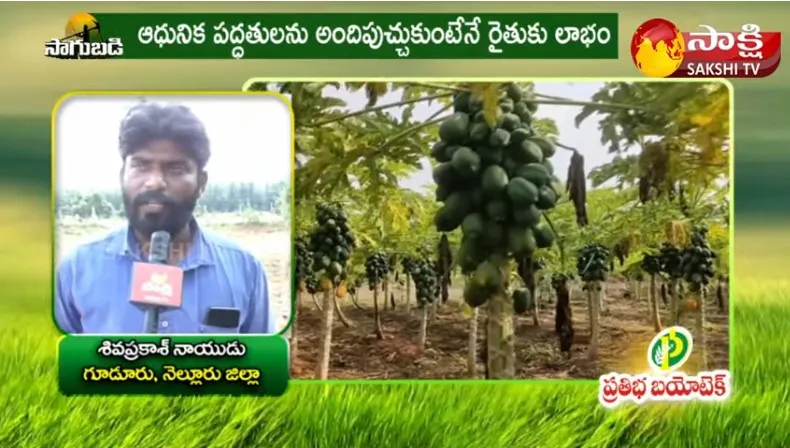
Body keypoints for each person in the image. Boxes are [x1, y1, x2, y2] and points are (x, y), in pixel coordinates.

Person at [55, 101, 276, 334]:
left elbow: (261, 364)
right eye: (140, 166)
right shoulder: (77, 269)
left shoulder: (245, 269)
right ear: (122, 176)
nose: (155, 182)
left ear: (201, 183)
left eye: (175, 169)